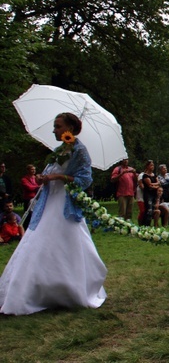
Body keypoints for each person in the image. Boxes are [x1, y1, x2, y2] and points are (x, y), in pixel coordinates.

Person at [0, 112, 107, 315]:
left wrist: (58, 176)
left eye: (58, 126)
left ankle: (66, 288)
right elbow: (51, 173)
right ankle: (30, 290)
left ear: (70, 129)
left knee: (63, 241)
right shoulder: (59, 149)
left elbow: (84, 179)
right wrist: (43, 177)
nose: (54, 130)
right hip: (49, 202)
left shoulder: (80, 150)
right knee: (37, 241)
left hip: (64, 204)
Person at [141, 160, 160, 226]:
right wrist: (155, 185)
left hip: (154, 194)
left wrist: (154, 185)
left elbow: (158, 183)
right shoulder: (145, 176)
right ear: (147, 166)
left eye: (153, 165)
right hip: (148, 194)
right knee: (149, 210)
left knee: (154, 209)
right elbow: (149, 185)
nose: (152, 167)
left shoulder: (155, 175)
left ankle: (154, 224)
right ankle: (146, 224)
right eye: (151, 165)